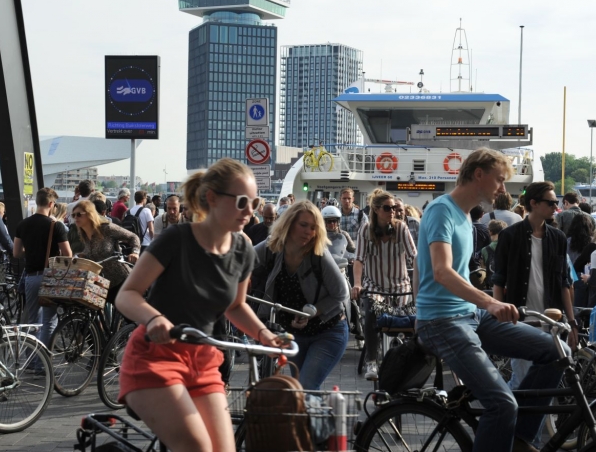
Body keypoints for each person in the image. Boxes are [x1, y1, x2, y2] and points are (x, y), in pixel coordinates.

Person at [115, 158, 282, 452]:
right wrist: (153, 319)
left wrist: (264, 335)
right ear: (212, 198)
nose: (250, 211)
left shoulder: (243, 250)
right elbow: (127, 294)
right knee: (197, 446)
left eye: (254, 203)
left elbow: (235, 306)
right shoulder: (177, 238)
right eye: (242, 202)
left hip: (203, 360)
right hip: (156, 356)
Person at [415, 148, 567, 452]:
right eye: (499, 180)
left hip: (469, 315)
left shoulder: (465, 216)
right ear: (478, 174)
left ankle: (519, 439)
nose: (502, 189)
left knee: (556, 351)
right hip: (441, 321)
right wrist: (491, 303)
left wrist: (485, 302)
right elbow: (442, 272)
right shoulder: (441, 210)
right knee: (502, 404)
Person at [492, 181, 577, 395]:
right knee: (521, 381)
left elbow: (564, 282)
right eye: (551, 202)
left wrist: (572, 321)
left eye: (556, 202)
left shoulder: (558, 238)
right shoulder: (510, 236)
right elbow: (499, 280)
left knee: (547, 386)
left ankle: (517, 414)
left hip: (552, 323)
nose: (556, 207)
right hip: (521, 320)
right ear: (534, 203)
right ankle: (506, 412)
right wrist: (500, 315)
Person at [255, 200, 349, 390]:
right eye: (303, 225)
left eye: (313, 228)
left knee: (305, 387)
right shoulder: (272, 246)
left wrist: (313, 312)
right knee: (301, 391)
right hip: (295, 334)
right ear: (289, 224)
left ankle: (325, 410)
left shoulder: (319, 254)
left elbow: (341, 293)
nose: (308, 232)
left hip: (328, 331)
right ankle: (317, 410)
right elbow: (242, 259)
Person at [352, 191, 417, 380]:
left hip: (401, 287)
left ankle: (410, 359)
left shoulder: (401, 228)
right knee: (371, 314)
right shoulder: (365, 230)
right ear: (375, 209)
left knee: (410, 320)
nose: (392, 212)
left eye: (394, 208)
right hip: (374, 286)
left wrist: (421, 284)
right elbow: (358, 259)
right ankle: (372, 361)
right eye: (387, 208)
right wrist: (357, 284)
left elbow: (415, 257)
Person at [13, 188, 72, 346]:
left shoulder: (22, 224)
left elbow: (16, 253)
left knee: (32, 321)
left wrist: (32, 251)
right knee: (49, 321)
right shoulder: (56, 226)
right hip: (50, 277)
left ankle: (31, 357)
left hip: (30, 277)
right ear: (51, 204)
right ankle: (43, 359)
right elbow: (68, 254)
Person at [74, 200, 140, 303]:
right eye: (73, 215)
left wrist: (135, 252)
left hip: (120, 279)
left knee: (126, 311)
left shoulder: (106, 228)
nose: (75, 218)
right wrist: (83, 256)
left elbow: (133, 236)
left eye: (79, 214)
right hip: (101, 283)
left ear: (90, 214)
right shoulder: (84, 235)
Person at [479, 219, 507, 288]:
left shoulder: (485, 250)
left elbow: (483, 269)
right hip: (507, 284)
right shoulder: (509, 247)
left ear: (490, 232)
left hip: (492, 285)